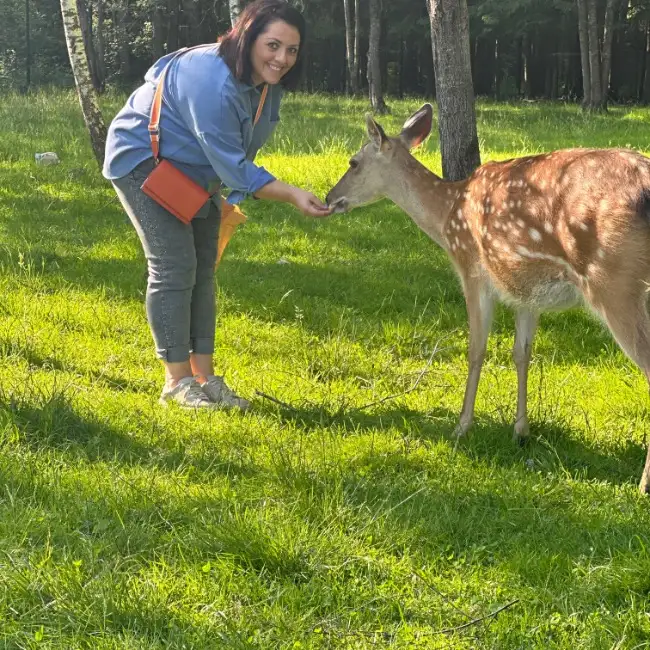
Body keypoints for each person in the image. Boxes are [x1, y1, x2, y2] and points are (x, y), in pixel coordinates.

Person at [103, 0, 331, 410]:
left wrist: (225, 180)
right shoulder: (213, 80)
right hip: (143, 159)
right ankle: (176, 384)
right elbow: (235, 166)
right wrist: (294, 193)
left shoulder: (265, 84)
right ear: (248, 38)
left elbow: (233, 152)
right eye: (273, 45)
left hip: (196, 170)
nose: (282, 59)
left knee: (203, 267)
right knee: (174, 266)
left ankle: (204, 378)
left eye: (292, 50)